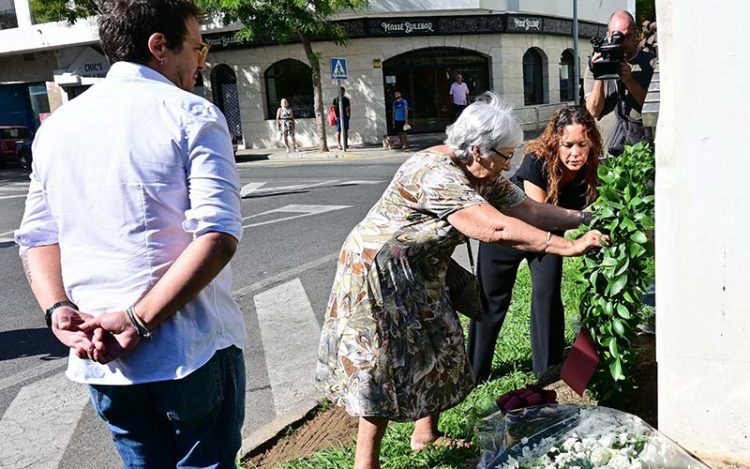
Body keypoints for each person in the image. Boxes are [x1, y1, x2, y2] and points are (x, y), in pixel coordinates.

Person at [316, 92, 608, 469]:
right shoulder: (437, 173)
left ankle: (425, 433)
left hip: (423, 267)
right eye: (505, 156)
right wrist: (566, 248)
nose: (508, 166)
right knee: (384, 367)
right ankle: (365, 464)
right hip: (380, 273)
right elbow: (494, 227)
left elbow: (531, 209)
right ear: (476, 149)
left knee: (442, 342)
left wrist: (586, 220)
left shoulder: (483, 171)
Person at [14, 1, 247, 467]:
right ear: (159, 46)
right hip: (189, 347)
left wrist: (58, 310)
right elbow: (218, 235)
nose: (202, 61)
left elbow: (38, 235)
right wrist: (138, 322)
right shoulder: (192, 114)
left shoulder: (58, 126)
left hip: (101, 357)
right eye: (198, 47)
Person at [467, 106, 603, 383]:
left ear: (592, 144)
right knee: (491, 302)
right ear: (555, 142)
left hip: (552, 230)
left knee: (548, 295)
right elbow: (538, 213)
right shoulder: (538, 159)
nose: (575, 153)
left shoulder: (592, 169)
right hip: (512, 228)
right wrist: (581, 227)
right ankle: (474, 373)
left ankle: (548, 370)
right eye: (567, 145)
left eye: (582, 144)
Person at [585, 10, 656, 156]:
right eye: (617, 36)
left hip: (640, 153)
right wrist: (601, 73)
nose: (622, 42)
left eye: (627, 36)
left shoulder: (651, 62)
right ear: (608, 35)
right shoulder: (596, 62)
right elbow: (593, 111)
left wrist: (629, 81)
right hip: (606, 153)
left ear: (636, 34)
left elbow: (654, 109)